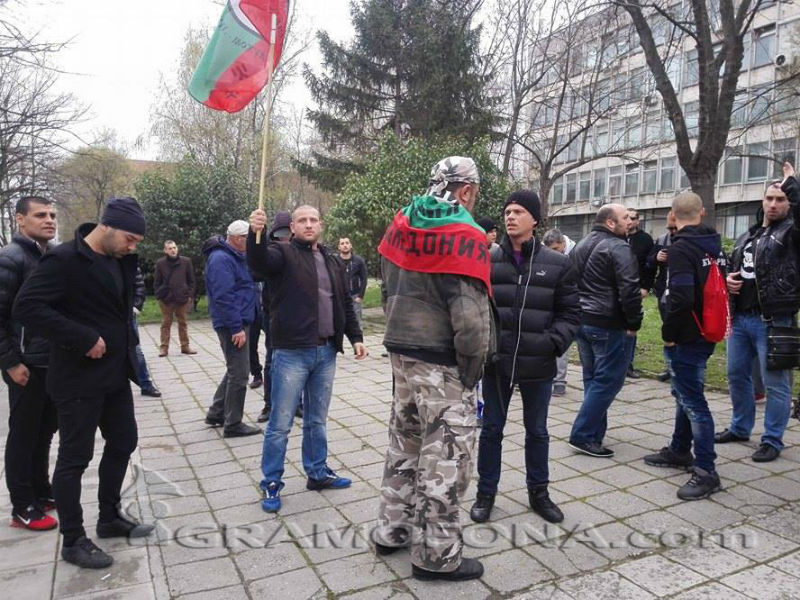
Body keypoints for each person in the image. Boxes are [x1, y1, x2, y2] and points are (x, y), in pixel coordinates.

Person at [14, 197, 154, 569]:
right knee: (76, 458)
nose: (133, 246)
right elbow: (26, 307)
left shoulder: (120, 258)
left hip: (115, 374)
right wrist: (81, 337)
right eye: (129, 238)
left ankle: (108, 517)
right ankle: (73, 540)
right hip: (77, 377)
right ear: (105, 227)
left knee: (124, 441)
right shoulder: (63, 261)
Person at [373, 156, 492, 582]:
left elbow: (387, 287)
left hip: (400, 351)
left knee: (404, 441)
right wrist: (473, 370)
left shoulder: (402, 222)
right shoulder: (463, 232)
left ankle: (391, 529)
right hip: (441, 361)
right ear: (465, 190)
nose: (473, 201)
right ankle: (437, 557)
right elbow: (471, 315)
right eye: (474, 193)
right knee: (446, 457)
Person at [247, 205, 367, 514]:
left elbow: (342, 302)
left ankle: (317, 472)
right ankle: (271, 481)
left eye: (314, 219)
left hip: (326, 353)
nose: (309, 224)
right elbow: (258, 264)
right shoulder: (281, 254)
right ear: (294, 227)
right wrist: (255, 233)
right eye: (303, 220)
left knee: (316, 420)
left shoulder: (330, 260)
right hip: (291, 353)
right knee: (280, 423)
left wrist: (356, 339)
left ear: (321, 225)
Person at [469, 193, 580, 526]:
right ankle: (485, 494)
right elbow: (474, 308)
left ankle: (539, 493)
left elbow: (571, 313)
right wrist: (485, 345)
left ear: (535, 219)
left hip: (538, 364)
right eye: (507, 212)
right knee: (491, 431)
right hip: (496, 363)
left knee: (538, 432)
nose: (510, 217)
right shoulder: (487, 259)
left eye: (518, 212)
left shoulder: (558, 263)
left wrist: (550, 344)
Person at [643, 192, 726, 500]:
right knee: (685, 393)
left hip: (686, 335)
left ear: (673, 216)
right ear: (702, 213)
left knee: (694, 402)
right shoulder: (714, 246)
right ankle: (680, 449)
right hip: (707, 331)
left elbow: (681, 297)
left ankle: (706, 471)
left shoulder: (681, 249)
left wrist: (668, 332)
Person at [716, 162, 800, 462]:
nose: (774, 204)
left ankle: (773, 440)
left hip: (774, 320)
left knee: (776, 383)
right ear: (762, 201)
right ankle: (740, 427)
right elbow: (738, 267)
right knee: (737, 376)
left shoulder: (791, 233)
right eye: (769, 198)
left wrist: (792, 183)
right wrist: (729, 280)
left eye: (780, 199)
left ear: (789, 203)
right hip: (741, 319)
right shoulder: (749, 235)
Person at [0, 196, 59, 531]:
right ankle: (22, 505)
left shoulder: (46, 255)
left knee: (44, 431)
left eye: (52, 215)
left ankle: (41, 490)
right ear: (20, 220)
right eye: (40, 215)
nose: (48, 220)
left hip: (48, 361)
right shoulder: (11, 258)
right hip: (24, 365)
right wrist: (10, 363)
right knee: (24, 434)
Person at [569, 204, 642, 457]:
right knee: (608, 381)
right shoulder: (619, 247)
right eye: (625, 218)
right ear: (611, 223)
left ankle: (593, 435)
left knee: (593, 379)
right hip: (608, 323)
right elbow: (630, 289)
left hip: (583, 320)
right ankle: (583, 434)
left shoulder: (581, 244)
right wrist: (634, 322)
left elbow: (571, 282)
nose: (630, 222)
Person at [202, 220, 262, 438]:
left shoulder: (235, 256)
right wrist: (236, 327)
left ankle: (216, 413)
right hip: (232, 324)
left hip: (240, 320)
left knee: (234, 368)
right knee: (239, 374)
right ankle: (233, 423)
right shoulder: (221, 259)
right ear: (237, 238)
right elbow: (224, 297)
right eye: (248, 238)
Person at [256, 211, 294, 423]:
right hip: (273, 315)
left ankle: (297, 403)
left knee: (300, 362)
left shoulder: (302, 251)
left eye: (288, 235)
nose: (285, 240)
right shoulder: (270, 253)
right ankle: (270, 405)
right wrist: (256, 236)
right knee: (272, 361)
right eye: (281, 235)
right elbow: (257, 267)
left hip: (297, 317)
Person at [645, 213, 678, 382]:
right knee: (667, 329)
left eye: (675, 228)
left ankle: (683, 366)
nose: (673, 232)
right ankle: (670, 366)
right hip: (664, 292)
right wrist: (656, 258)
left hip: (682, 293)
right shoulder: (662, 241)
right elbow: (648, 263)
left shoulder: (692, 241)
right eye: (670, 228)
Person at [542, 228, 575, 397]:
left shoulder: (575, 254)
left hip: (566, 306)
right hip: (547, 305)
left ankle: (560, 381)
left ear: (563, 244)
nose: (553, 253)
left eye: (555, 249)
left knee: (562, 343)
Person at [624, 208, 653, 378]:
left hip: (635, 287)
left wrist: (645, 287)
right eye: (626, 217)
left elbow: (649, 266)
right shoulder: (617, 236)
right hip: (616, 288)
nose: (629, 221)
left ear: (638, 220)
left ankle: (628, 364)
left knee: (631, 327)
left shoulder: (645, 240)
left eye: (633, 218)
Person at [153, 240, 196, 357]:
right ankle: (164, 348)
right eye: (170, 248)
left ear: (177, 248)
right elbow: (156, 282)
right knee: (166, 323)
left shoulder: (186, 261)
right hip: (166, 299)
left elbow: (191, 280)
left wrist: (189, 295)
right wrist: (160, 296)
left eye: (174, 247)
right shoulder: (160, 263)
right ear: (165, 250)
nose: (173, 250)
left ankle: (185, 346)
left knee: (183, 322)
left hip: (182, 298)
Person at [132, 266, 161, 397]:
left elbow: (139, 287)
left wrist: (135, 307)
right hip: (102, 316)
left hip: (126, 314)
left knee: (135, 350)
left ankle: (145, 384)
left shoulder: (127, 261)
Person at [338, 237, 368, 328]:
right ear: (339, 247)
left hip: (354, 296)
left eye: (347, 243)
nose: (345, 245)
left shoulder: (358, 261)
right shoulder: (335, 261)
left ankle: (359, 341)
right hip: (340, 297)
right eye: (342, 243)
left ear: (351, 245)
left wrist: (360, 296)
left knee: (357, 323)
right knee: (339, 323)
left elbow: (364, 278)